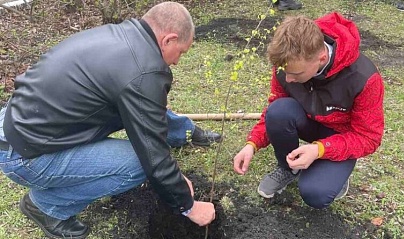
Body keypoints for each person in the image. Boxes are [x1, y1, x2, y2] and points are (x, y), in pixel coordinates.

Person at [0, 2, 216, 239]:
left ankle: (183, 133)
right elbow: (153, 158)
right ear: (168, 40)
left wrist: (186, 133)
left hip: (17, 122)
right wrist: (188, 206)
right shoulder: (143, 72)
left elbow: (151, 110)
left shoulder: (123, 36)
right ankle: (45, 206)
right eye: (181, 52)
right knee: (138, 164)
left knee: (143, 105)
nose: (177, 61)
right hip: (25, 154)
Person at [233, 13, 384, 209]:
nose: (288, 79)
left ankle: (335, 173)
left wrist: (320, 149)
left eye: (295, 74)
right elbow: (274, 107)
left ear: (321, 58)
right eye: (284, 72)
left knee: (316, 194)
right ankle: (288, 168)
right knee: (279, 111)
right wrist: (252, 144)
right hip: (308, 121)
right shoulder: (287, 64)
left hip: (341, 135)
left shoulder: (363, 79)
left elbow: (368, 137)